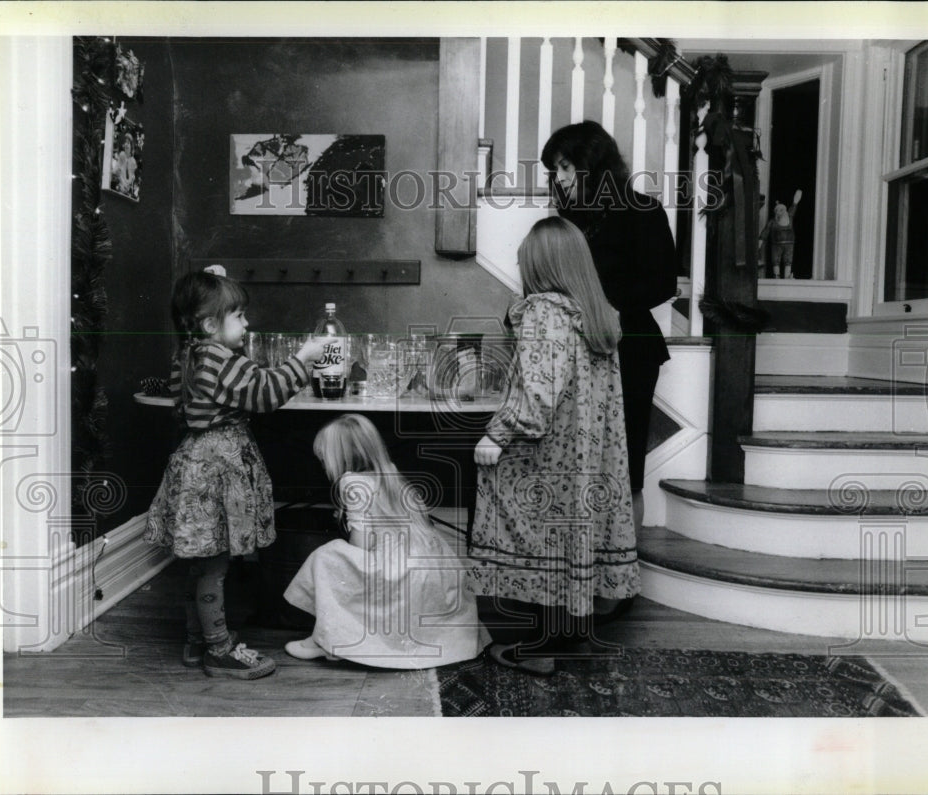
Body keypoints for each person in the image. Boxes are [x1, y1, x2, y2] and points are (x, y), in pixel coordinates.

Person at [468, 216, 639, 676]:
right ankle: (570, 641)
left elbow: (538, 393)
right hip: (585, 463)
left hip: (545, 455)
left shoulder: (544, 311)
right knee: (570, 545)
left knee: (539, 536)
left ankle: (541, 649)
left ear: (540, 265)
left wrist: (497, 434)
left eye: (525, 260)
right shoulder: (596, 316)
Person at [144, 269, 333, 680]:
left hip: (195, 458)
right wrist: (302, 360)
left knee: (200, 561)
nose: (247, 324)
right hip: (219, 465)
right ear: (211, 324)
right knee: (216, 565)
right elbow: (264, 392)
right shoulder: (217, 356)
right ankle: (220, 649)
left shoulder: (189, 355)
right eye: (239, 316)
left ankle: (198, 641)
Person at [540, 121, 678, 534]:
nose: (559, 178)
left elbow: (663, 283)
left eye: (566, 166)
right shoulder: (566, 220)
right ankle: (585, 565)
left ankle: (622, 576)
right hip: (573, 351)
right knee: (576, 463)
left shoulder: (644, 210)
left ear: (593, 164)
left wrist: (611, 306)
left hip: (631, 350)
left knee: (626, 464)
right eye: (555, 170)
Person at [283, 414, 490, 668]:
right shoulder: (390, 473)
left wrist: (348, 529)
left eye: (324, 456)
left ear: (342, 456)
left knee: (328, 556)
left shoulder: (351, 482)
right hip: (429, 566)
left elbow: (362, 545)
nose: (323, 462)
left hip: (397, 571)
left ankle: (326, 637)